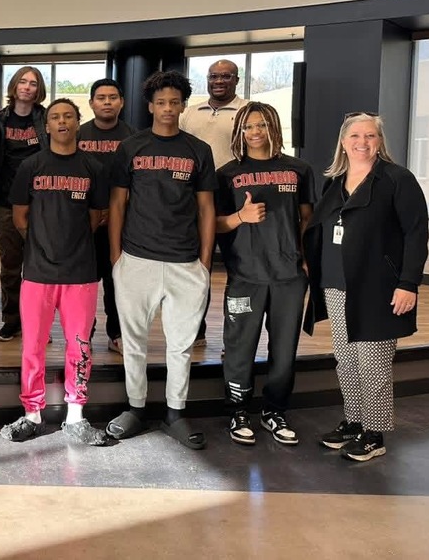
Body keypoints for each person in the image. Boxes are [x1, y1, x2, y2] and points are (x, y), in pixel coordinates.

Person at [304, 113, 428, 462]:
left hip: (379, 287)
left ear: (380, 141)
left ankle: (374, 434)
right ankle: (355, 422)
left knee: (373, 363)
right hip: (336, 284)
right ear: (343, 142)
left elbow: (416, 234)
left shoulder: (397, 179)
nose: (363, 142)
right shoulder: (334, 182)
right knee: (346, 361)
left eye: (370, 135)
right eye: (355, 135)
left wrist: (408, 283)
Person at [107, 71, 217, 450]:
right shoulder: (131, 148)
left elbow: (206, 208)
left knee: (181, 345)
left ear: (183, 105)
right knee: (133, 341)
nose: (168, 108)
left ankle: (175, 412)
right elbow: (117, 204)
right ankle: (135, 408)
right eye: (161, 102)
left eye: (174, 102)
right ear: (150, 106)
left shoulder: (198, 150)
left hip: (186, 262)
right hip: (136, 259)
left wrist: (204, 262)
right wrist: (117, 257)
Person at [0, 99, 110, 446]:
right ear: (46, 126)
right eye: (55, 117)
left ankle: (75, 415)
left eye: (68, 116)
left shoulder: (93, 167)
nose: (62, 122)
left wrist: (68, 243)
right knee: (33, 345)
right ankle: (32, 414)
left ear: (78, 122)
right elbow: (20, 217)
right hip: (37, 272)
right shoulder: (31, 166)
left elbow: (96, 217)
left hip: (81, 273)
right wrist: (44, 243)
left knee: (80, 346)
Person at [215, 103, 314, 447]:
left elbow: (307, 218)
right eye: (248, 127)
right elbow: (213, 224)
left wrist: (307, 259)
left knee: (284, 349)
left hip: (289, 275)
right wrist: (240, 217)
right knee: (239, 347)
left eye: (262, 125)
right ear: (239, 132)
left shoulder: (298, 169)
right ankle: (238, 411)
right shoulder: (227, 174)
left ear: (274, 127)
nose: (255, 132)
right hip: (246, 274)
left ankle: (275, 411)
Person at [179, 58, 247, 345]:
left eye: (226, 76)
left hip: (235, 199)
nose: (219, 81)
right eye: (213, 76)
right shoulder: (189, 114)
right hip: (196, 198)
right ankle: (196, 332)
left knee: (240, 271)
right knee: (196, 269)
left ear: (236, 80)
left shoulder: (247, 111)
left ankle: (237, 339)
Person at [0, 66, 48, 342]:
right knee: (10, 267)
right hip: (6, 202)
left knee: (40, 268)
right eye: (23, 81)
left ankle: (39, 324)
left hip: (40, 203)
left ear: (38, 90)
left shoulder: (45, 118)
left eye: (33, 83)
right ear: (14, 86)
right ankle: (11, 321)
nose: (27, 87)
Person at [77, 78, 135, 354]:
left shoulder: (134, 138)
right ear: (91, 103)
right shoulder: (78, 135)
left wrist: (114, 211)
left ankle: (117, 334)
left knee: (117, 282)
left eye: (113, 97)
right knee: (85, 282)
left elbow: (137, 181)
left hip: (121, 222)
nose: (107, 102)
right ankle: (84, 334)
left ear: (121, 102)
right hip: (84, 222)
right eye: (101, 98)